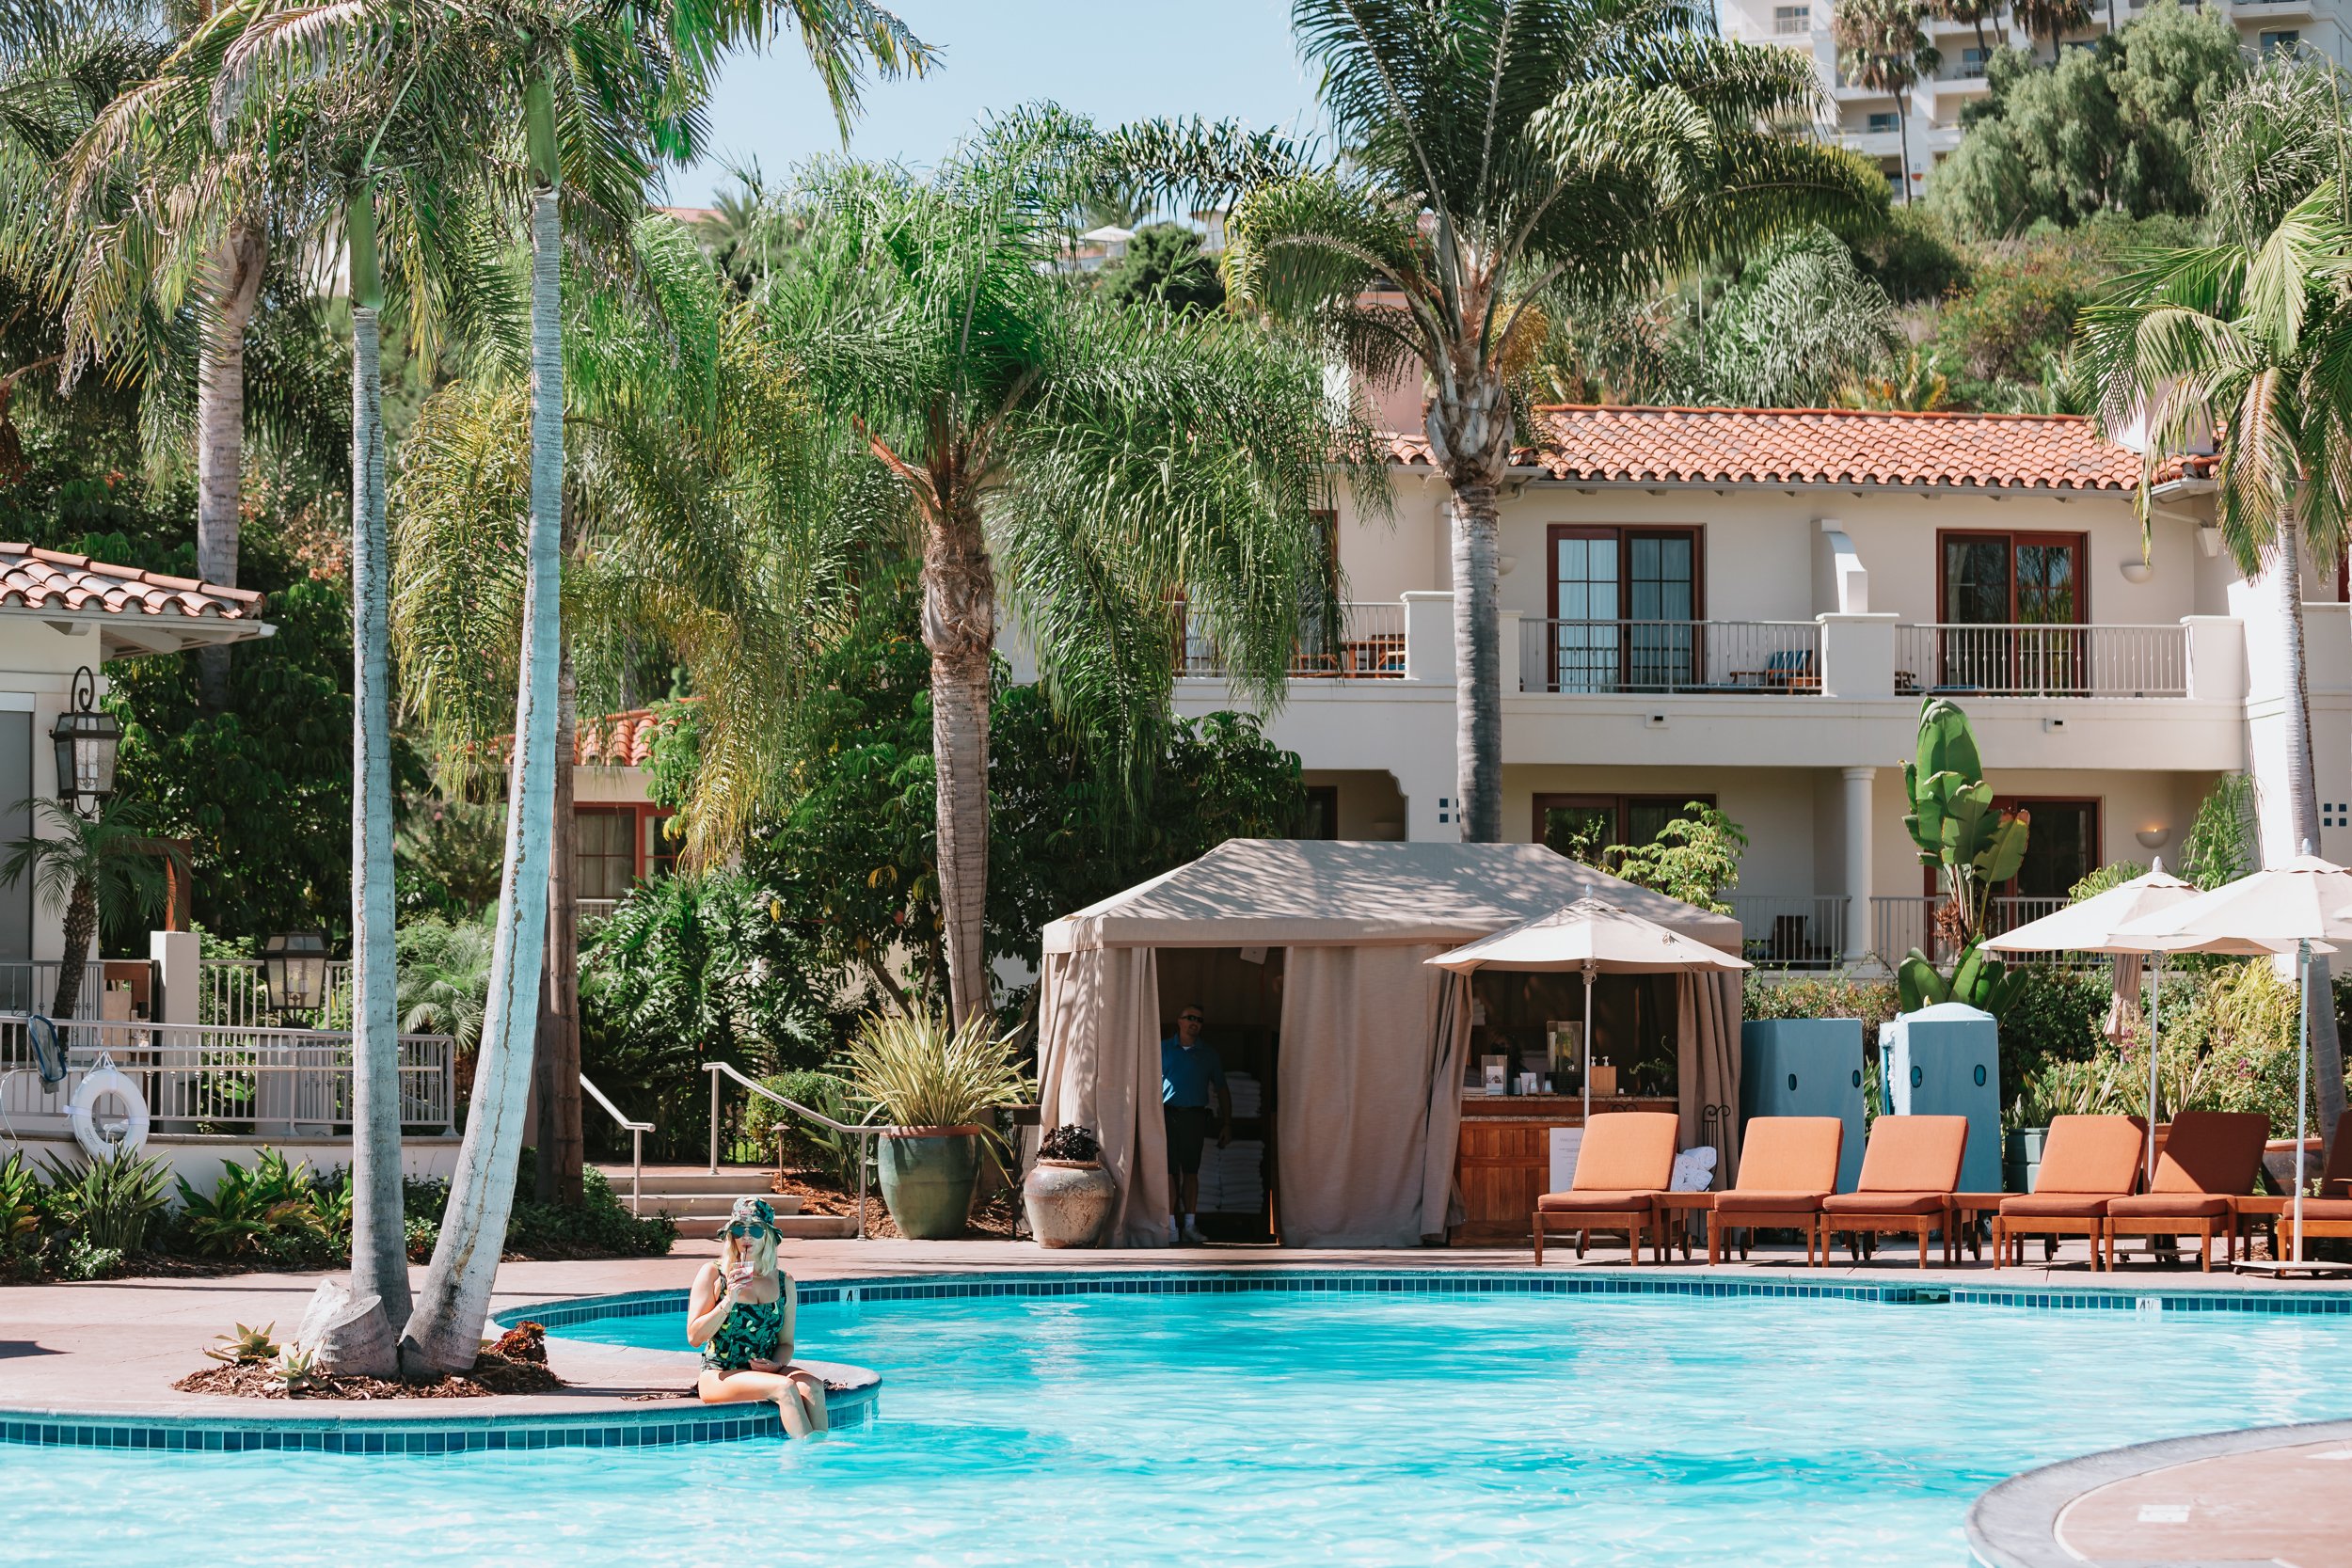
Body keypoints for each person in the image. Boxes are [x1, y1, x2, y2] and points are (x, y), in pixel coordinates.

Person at [687, 1197, 829, 1439]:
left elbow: (786, 1343)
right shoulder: (714, 1273)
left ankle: (821, 1455)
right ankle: (808, 1458)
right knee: (784, 1388)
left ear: (769, 1236)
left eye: (755, 1229)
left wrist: (776, 1365)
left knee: (813, 1387)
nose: (746, 1236)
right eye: (738, 1229)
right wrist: (728, 1300)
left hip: (766, 1374)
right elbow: (694, 1336)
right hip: (719, 1374)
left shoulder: (784, 1282)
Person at [1161, 1004, 1231, 1245]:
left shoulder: (1208, 1054)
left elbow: (1221, 1088)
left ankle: (1189, 1225)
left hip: (1195, 1116)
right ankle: (1170, 1227)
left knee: (1191, 1171)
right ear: (1179, 1021)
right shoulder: (1162, 1050)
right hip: (1166, 1115)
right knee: (1169, 1171)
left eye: (1199, 1020)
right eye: (1190, 1018)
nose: (1195, 1023)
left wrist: (1227, 1123)